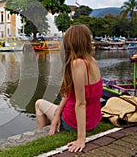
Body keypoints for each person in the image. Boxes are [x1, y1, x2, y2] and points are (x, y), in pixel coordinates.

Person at [35, 24, 103, 153]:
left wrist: (81, 138)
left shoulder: (77, 64)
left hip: (74, 122)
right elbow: (69, 94)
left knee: (39, 103)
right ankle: (53, 125)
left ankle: (43, 134)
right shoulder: (92, 61)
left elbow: (81, 103)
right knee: (53, 112)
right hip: (93, 119)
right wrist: (56, 116)